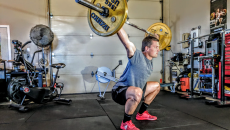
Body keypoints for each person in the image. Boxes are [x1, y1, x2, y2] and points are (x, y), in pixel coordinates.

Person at [112, 28, 161, 130]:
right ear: (147, 48)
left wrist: (156, 37)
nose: (158, 50)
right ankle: (126, 123)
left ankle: (141, 113)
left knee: (156, 86)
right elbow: (126, 42)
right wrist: (118, 25)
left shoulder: (149, 60)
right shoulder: (137, 56)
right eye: (156, 47)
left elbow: (153, 42)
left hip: (136, 89)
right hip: (120, 91)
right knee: (138, 92)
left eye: (158, 47)